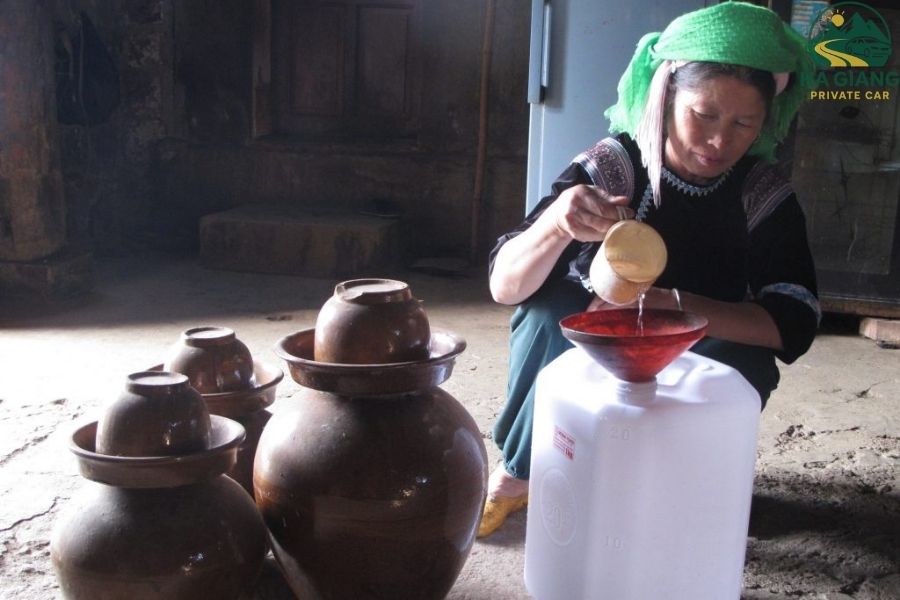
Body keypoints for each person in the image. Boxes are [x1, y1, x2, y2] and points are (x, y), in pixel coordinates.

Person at [478, 2, 821, 538]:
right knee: (550, 311)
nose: (717, 141)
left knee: (745, 362)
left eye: (743, 124)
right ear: (664, 99)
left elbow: (794, 322)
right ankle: (522, 472)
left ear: (764, 123)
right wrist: (556, 226)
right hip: (600, 337)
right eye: (702, 115)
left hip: (698, 341)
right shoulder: (614, 166)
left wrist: (676, 307)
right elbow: (505, 287)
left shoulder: (761, 192)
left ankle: (688, 482)